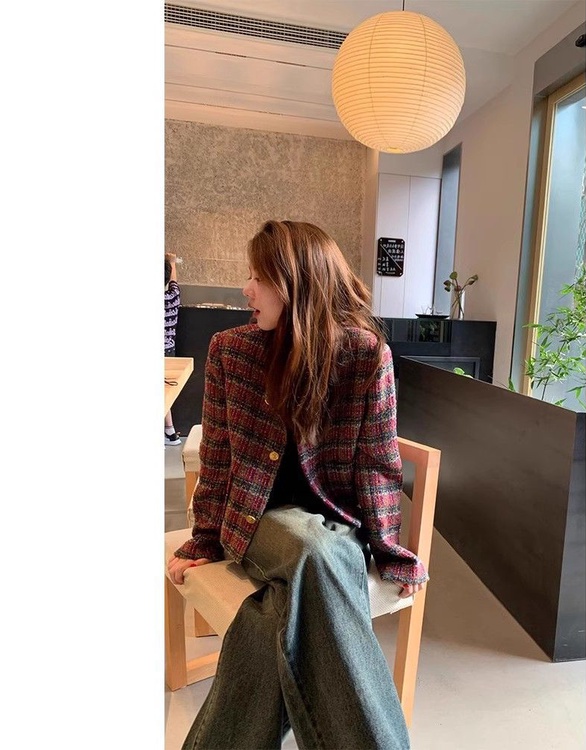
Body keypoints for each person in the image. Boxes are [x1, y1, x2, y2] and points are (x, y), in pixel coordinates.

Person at [167, 220, 428, 749]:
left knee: (272, 620)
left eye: (257, 277)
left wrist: (390, 551)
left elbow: (377, 465)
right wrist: (205, 538)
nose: (246, 289)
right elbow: (218, 456)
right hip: (256, 521)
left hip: (337, 526)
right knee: (314, 548)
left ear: (297, 282)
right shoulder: (230, 350)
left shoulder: (365, 355)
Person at [165, 252, 181, 446]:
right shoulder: (172, 298)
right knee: (165, 392)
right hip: (169, 351)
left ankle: (170, 432)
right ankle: (169, 431)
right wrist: (172, 263)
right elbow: (174, 282)